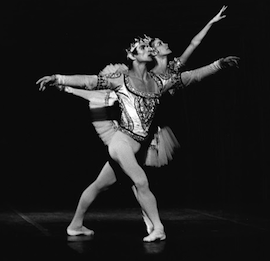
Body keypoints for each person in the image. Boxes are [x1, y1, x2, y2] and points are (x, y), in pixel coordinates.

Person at [37, 36, 239, 242]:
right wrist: (58, 78)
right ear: (131, 55)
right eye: (141, 47)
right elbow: (89, 81)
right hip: (121, 142)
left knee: (100, 185)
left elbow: (191, 76)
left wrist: (218, 64)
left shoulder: (159, 82)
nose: (147, 49)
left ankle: (75, 224)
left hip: (137, 145)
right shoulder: (120, 79)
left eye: (147, 47)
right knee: (141, 181)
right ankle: (158, 228)